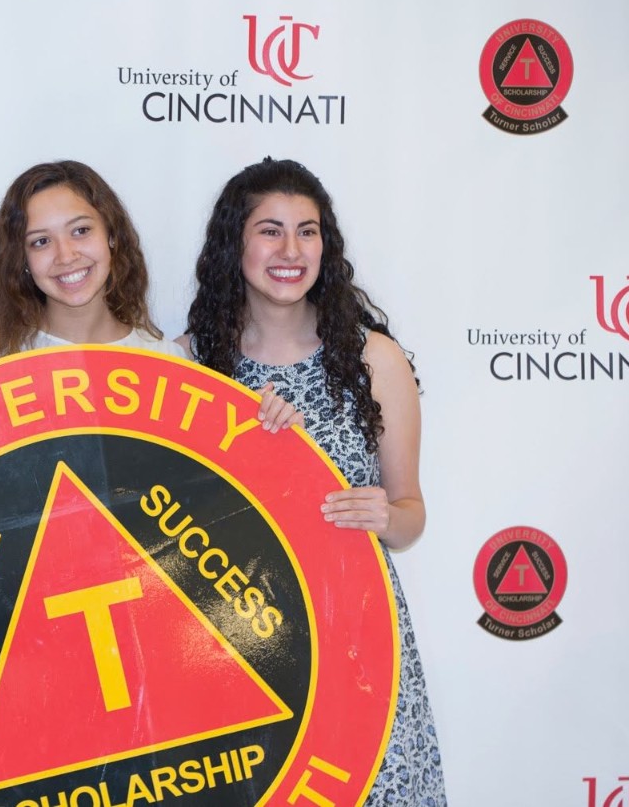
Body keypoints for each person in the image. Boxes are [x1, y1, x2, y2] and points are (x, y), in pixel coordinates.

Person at [181, 156, 446, 805]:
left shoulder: (373, 357)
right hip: (232, 645)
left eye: (308, 230)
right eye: (270, 230)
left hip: (356, 638)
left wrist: (386, 513)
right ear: (233, 244)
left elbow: (411, 514)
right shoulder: (194, 363)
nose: (291, 250)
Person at [0, 159, 299, 434]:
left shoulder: (165, 363)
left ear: (111, 236)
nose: (66, 256)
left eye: (80, 231)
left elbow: (193, 498)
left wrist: (263, 435)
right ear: (20, 258)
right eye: (40, 242)